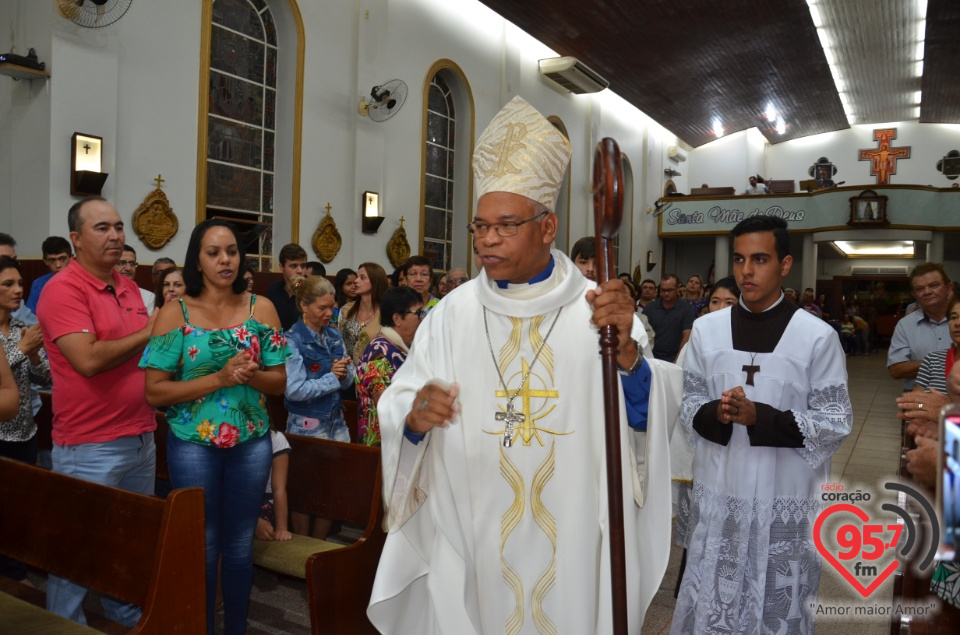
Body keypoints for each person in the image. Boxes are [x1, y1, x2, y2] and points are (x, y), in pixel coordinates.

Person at [367, 95, 682, 634]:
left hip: (575, 526)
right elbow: (402, 400)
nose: (488, 238)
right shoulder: (451, 315)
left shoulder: (600, 311)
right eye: (480, 226)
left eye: (506, 224)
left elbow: (646, 414)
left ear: (548, 226)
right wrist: (413, 415)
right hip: (473, 521)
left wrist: (628, 357)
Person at [672, 215, 851, 635]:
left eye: (759, 259)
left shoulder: (817, 336)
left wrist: (762, 417)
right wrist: (715, 412)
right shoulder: (706, 329)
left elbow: (835, 421)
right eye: (738, 260)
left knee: (775, 606)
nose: (746, 272)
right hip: (721, 491)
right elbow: (688, 403)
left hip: (783, 494)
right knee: (714, 599)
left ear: (785, 264)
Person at [141, 219, 290, 635]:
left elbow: (278, 384)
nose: (225, 260)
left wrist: (248, 374)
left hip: (250, 440)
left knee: (240, 546)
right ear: (198, 260)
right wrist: (220, 378)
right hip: (193, 443)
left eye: (231, 252)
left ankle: (236, 629)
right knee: (202, 546)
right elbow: (155, 392)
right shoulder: (176, 313)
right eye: (213, 252)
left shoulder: (262, 309)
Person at [37, 197, 157, 627]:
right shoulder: (62, 289)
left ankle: (124, 616)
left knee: (126, 544)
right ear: (76, 239)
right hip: (90, 444)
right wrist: (150, 332)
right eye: (103, 228)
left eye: (119, 227)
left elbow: (148, 354)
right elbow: (86, 359)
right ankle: (63, 625)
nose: (116, 236)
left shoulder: (127, 286)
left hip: (141, 435)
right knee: (79, 550)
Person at [0, 257, 50, 584]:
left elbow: (45, 377)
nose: (19, 290)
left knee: (19, 511)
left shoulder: (22, 328)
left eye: (20, 283)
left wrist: (32, 353)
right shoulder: (19, 337)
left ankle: (15, 578)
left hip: (25, 431)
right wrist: (21, 349)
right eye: (8, 284)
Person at [283, 275, 355, 441]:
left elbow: (348, 380)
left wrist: (344, 374)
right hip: (307, 425)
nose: (329, 313)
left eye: (331, 307)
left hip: (337, 421)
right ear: (304, 306)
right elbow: (293, 390)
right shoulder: (291, 340)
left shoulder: (334, 334)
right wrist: (333, 377)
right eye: (322, 308)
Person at [355, 287, 424, 446]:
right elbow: (384, 401)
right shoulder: (379, 351)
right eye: (418, 313)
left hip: (401, 439)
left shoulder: (404, 347)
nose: (422, 319)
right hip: (382, 444)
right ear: (397, 318)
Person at [888, 263, 953, 391]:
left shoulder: (957, 320)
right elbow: (896, 370)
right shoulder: (905, 325)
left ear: (948, 288)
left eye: (934, 285)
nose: (927, 292)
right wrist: (938, 361)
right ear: (914, 294)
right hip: (917, 401)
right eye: (920, 289)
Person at [338, 262, 388, 364]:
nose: (356, 281)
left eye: (362, 278)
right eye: (357, 277)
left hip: (375, 372)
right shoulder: (346, 310)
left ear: (375, 282)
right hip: (347, 370)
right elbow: (339, 342)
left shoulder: (386, 312)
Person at [644, 273, 695, 362]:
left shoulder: (686, 308)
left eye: (670, 290)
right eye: (663, 290)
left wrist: (678, 360)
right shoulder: (650, 308)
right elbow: (645, 334)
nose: (666, 293)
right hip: (653, 357)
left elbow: (686, 336)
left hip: (675, 356)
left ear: (677, 289)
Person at [254, 429, 292, 543]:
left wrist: (282, 529)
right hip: (236, 504)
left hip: (264, 502)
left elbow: (279, 490)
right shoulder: (228, 438)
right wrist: (253, 521)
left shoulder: (275, 438)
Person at [26, 236, 72, 314]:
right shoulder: (38, 284)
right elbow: (30, 317)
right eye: (52, 260)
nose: (58, 265)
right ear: (45, 261)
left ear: (71, 258)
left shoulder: (83, 281)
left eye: (62, 259)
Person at [266, 243, 307, 330]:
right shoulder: (274, 289)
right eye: (293, 266)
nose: (300, 271)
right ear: (281, 267)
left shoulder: (312, 289)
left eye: (303, 266)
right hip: (279, 339)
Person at [0, 233, 38, 327]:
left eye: (15, 261)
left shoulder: (16, 302)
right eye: (5, 260)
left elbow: (37, 328)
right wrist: (26, 342)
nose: (12, 266)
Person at [116, 244, 155, 311]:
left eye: (132, 264)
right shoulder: (101, 294)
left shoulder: (148, 297)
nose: (128, 268)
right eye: (122, 263)